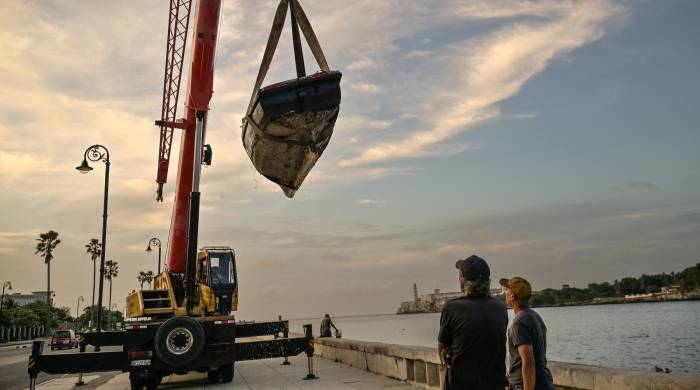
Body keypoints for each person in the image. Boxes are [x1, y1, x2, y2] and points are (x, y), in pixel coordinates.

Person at [438, 255, 509, 389]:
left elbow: (442, 350)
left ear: (462, 280)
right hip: (494, 384)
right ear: (488, 281)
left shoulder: (451, 307)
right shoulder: (500, 308)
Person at [499, 277, 555, 390]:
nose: (505, 293)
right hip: (543, 381)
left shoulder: (519, 324)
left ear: (512, 296)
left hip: (527, 385)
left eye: (507, 290)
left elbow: (528, 362)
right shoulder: (535, 317)